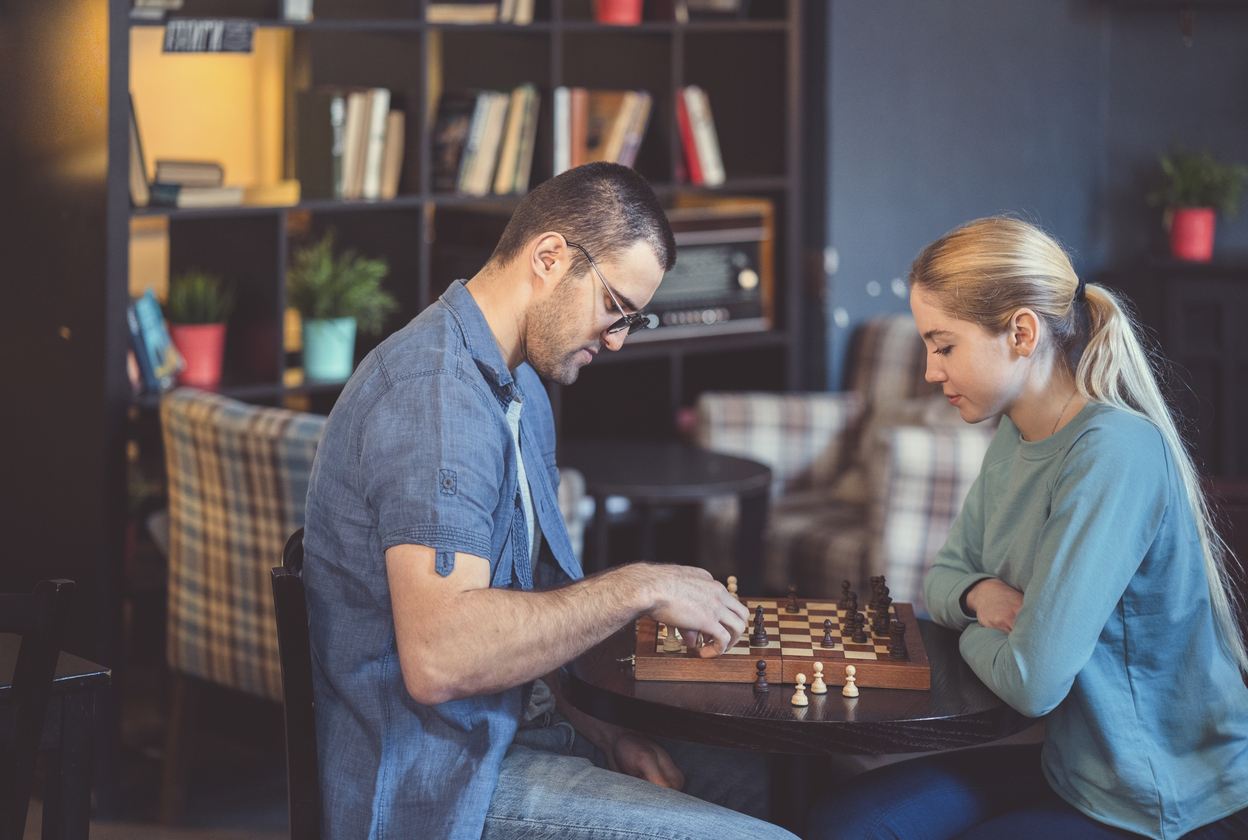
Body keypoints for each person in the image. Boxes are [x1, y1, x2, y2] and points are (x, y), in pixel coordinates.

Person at [301, 162, 797, 840]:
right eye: (615, 308)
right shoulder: (434, 396)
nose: (617, 339)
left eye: (633, 320)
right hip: (441, 782)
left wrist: (600, 729)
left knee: (758, 782)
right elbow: (442, 658)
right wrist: (639, 586)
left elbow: (522, 613)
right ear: (549, 257)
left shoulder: (523, 389)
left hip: (517, 732)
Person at [807, 217, 1248, 840]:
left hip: (1164, 799)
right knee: (844, 823)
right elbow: (940, 581)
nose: (931, 371)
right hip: (1073, 768)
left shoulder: (1112, 452)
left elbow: (1032, 682)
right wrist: (981, 597)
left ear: (1020, 332)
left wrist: (972, 633)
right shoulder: (1014, 433)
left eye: (944, 345)